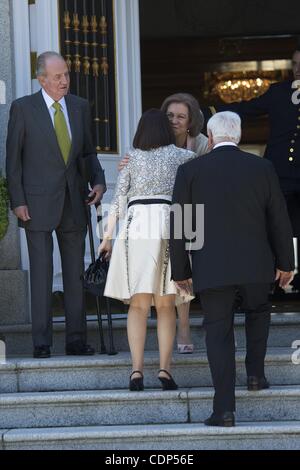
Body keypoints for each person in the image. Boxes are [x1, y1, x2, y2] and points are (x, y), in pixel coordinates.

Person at [170, 111, 294, 426]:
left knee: (218, 333)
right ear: (237, 136)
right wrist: (286, 263)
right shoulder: (263, 168)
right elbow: (278, 219)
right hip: (256, 263)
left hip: (212, 266)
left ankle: (224, 408)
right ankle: (255, 375)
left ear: (210, 138)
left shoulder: (190, 170)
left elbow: (181, 226)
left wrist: (181, 271)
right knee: (258, 313)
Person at [6, 51, 106, 358]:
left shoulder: (79, 107)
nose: (65, 80)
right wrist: (17, 200)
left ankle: (76, 340)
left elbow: (87, 153)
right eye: (58, 76)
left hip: (74, 200)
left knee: (75, 274)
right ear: (42, 79)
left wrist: (99, 181)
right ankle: (42, 342)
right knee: (42, 274)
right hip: (35, 204)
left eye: (66, 74)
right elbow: (13, 161)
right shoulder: (23, 108)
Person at [99, 109, 195, 391]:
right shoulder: (184, 158)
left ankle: (136, 371)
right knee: (166, 306)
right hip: (169, 227)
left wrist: (106, 237)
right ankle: (165, 370)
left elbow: (118, 200)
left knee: (138, 306)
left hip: (136, 226)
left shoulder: (131, 158)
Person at [205, 45, 300, 289]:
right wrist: (208, 111)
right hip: (280, 171)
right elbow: (247, 109)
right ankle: (273, 281)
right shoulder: (279, 91)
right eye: (295, 64)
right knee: (277, 226)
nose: (298, 69)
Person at [120, 93, 209, 353]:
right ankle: (168, 324)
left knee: (185, 269)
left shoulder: (201, 144)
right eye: (170, 115)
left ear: (191, 120)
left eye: (181, 116)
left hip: (191, 211)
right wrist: (126, 165)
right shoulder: (156, 139)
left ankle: (183, 326)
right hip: (157, 216)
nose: (175, 121)